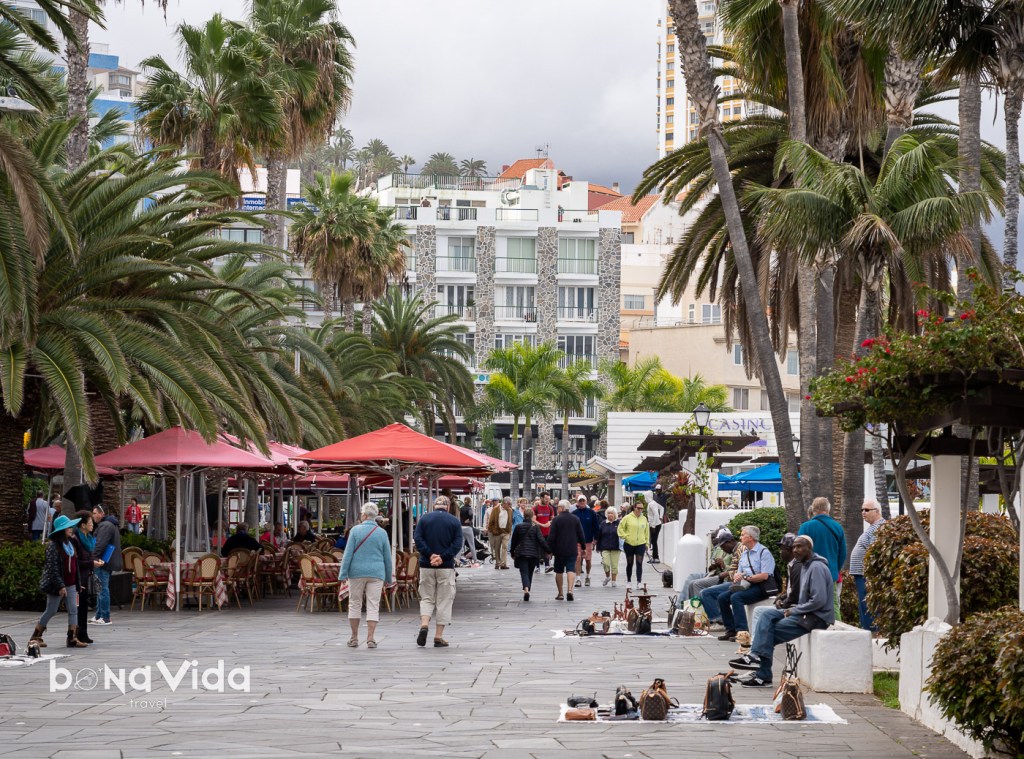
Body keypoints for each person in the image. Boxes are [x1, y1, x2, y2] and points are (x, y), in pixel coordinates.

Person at [732, 535, 835, 687]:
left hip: (815, 617)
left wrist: (794, 611)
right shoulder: (805, 565)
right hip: (803, 612)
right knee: (766, 614)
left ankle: (763, 676)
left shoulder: (816, 568)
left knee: (767, 633)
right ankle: (755, 657)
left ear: (809, 548)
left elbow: (818, 601)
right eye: (794, 547)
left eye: (799, 547)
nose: (795, 550)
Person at [702, 525, 776, 643]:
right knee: (722, 598)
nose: (740, 537)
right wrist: (737, 576)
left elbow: (764, 576)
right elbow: (739, 572)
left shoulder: (763, 552)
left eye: (742, 535)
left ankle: (742, 632)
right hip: (747, 584)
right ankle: (731, 630)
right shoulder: (745, 553)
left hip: (762, 586)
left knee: (736, 598)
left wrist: (746, 577)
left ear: (750, 537)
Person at [339, 502, 393, 649]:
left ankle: (354, 637)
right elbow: (387, 558)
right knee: (373, 605)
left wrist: (343, 574)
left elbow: (347, 554)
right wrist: (389, 577)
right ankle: (370, 638)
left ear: (363, 515)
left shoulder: (355, 531)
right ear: (375, 516)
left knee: (354, 603)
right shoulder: (382, 533)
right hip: (377, 573)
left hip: (356, 572)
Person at [413, 497, 463, 647]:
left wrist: (430, 555)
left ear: (434, 505)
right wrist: (443, 557)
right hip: (445, 566)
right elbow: (457, 544)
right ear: (448, 506)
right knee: (444, 600)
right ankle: (438, 636)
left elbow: (418, 539)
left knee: (426, 598)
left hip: (426, 565)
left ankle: (424, 624)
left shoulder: (424, 519)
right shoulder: (454, 521)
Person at [32, 514, 88, 649]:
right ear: (62, 530)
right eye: (68, 527)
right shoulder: (53, 546)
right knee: (51, 610)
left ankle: (72, 638)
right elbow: (52, 569)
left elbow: (75, 566)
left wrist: (77, 583)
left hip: (71, 584)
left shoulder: (70, 544)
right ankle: (36, 636)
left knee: (73, 610)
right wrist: (60, 585)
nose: (71, 529)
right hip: (57, 585)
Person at [798, 496, 847, 620]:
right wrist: (835, 568)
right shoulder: (837, 527)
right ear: (828, 509)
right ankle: (836, 628)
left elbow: (798, 552)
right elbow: (843, 553)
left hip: (810, 573)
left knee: (808, 603)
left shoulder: (806, 527)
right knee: (833, 604)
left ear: (813, 509)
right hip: (831, 573)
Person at [849, 500, 886, 631]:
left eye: (867, 510)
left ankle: (872, 631)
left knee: (868, 604)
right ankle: (868, 629)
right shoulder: (873, 527)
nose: (863, 512)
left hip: (867, 575)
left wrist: (871, 574)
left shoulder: (879, 527)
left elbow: (874, 552)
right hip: (862, 574)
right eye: (862, 510)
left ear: (877, 511)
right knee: (864, 604)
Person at [681, 529, 740, 601]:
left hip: (723, 577)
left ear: (729, 541)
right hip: (714, 573)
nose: (713, 540)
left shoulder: (735, 551)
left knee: (697, 585)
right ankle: (685, 606)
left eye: (714, 538)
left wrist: (723, 566)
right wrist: (715, 565)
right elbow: (710, 569)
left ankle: (699, 607)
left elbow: (735, 570)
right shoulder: (718, 549)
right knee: (691, 581)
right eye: (713, 538)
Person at [71, 510, 102, 645]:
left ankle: (83, 633)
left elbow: (89, 556)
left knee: (84, 607)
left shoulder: (88, 538)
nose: (92, 524)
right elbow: (75, 561)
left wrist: (95, 561)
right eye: (90, 522)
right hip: (78, 578)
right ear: (83, 525)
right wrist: (91, 563)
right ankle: (76, 634)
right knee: (79, 608)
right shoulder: (76, 539)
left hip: (86, 576)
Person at [546, 500, 586, 601]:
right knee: (571, 569)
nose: (557, 509)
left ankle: (560, 594)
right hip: (572, 548)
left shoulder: (556, 520)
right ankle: (570, 590)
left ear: (562, 508)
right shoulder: (575, 519)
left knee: (559, 571)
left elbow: (551, 536)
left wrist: (549, 550)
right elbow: (581, 534)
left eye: (558, 507)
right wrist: (583, 547)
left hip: (559, 550)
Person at [509, 507, 549, 601]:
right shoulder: (535, 527)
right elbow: (541, 540)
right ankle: (528, 589)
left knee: (524, 572)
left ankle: (526, 589)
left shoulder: (518, 527)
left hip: (521, 553)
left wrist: (512, 552)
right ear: (532, 516)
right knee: (530, 572)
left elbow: (514, 541)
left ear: (524, 515)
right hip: (533, 553)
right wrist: (548, 550)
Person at [91, 505, 121, 626]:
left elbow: (100, 544)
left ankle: (105, 617)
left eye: (94, 513)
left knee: (102, 588)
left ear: (101, 514)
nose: (93, 516)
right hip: (104, 561)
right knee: (100, 588)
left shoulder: (106, 526)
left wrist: (92, 558)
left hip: (102, 562)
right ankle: (99, 615)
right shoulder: (109, 524)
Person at [617, 501, 650, 588]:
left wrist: (647, 543)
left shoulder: (644, 519)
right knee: (630, 563)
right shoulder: (627, 517)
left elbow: (646, 532)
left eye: (642, 508)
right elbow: (620, 528)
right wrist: (625, 536)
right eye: (638, 508)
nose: (640, 510)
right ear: (634, 508)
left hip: (641, 543)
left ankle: (639, 582)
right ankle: (629, 581)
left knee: (639, 562)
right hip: (629, 543)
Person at [573, 495, 600, 587]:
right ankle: (578, 579)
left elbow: (596, 526)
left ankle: (588, 576)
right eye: (580, 501)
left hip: (588, 540)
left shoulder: (591, 512)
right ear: (577, 502)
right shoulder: (574, 513)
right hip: (577, 540)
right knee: (577, 558)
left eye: (583, 501)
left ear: (586, 501)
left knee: (588, 560)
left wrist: (596, 539)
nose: (582, 502)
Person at [596, 507, 621, 587]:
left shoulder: (619, 523)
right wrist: (598, 547)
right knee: (605, 563)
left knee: (614, 565)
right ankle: (607, 577)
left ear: (615, 514)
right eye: (609, 513)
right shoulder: (603, 523)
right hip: (605, 547)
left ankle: (614, 581)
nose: (610, 515)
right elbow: (599, 536)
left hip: (616, 547)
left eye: (612, 513)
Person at [486, 497, 513, 569]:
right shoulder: (496, 509)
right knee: (497, 548)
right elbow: (491, 521)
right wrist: (494, 531)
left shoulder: (510, 510)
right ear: (504, 503)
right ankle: (498, 563)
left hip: (506, 531)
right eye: (509, 504)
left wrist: (510, 531)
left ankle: (503, 563)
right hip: (497, 531)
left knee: (505, 547)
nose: (510, 505)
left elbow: (510, 521)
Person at [534, 492, 555, 571]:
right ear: (541, 498)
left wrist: (549, 522)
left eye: (548, 499)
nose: (547, 501)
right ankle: (537, 566)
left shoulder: (550, 508)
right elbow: (533, 520)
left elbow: (552, 519)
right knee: (537, 549)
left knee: (547, 548)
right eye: (546, 499)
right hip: (538, 532)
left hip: (547, 532)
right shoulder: (535, 508)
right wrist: (542, 525)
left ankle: (547, 566)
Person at [649, 485, 667, 562]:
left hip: (656, 522)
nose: (657, 491)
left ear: (661, 489)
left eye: (658, 489)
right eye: (656, 490)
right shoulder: (654, 498)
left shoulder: (664, 495)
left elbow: (661, 509)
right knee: (653, 540)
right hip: (654, 521)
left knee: (654, 540)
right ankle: (654, 556)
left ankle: (656, 557)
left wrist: (661, 517)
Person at [459, 497, 477, 562]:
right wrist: (469, 520)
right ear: (470, 502)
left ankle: (457, 559)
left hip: (461, 527)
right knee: (472, 544)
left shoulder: (461, 508)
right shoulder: (469, 508)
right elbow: (471, 515)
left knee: (461, 545)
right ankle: (475, 559)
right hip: (468, 528)